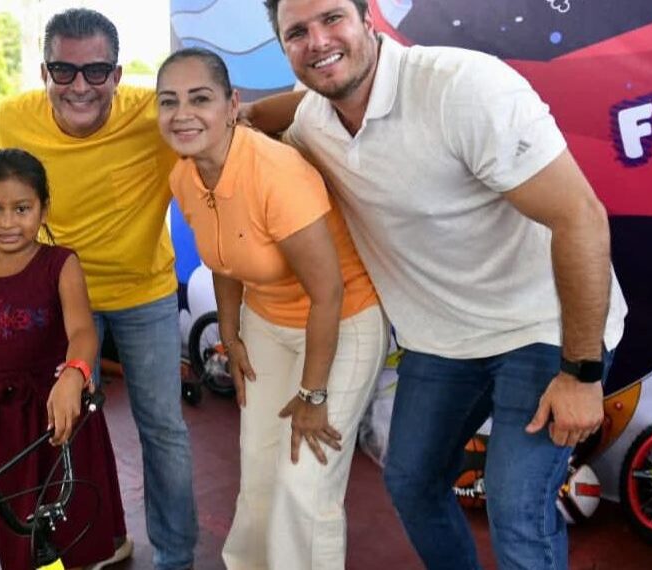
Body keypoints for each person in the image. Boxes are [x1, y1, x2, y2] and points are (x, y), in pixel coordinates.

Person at [262, 1, 629, 569]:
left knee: (516, 511)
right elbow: (285, 108)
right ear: (283, 47)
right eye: (296, 33)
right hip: (443, 341)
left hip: (541, 327)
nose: (317, 41)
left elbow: (581, 216)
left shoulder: (462, 88)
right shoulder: (314, 116)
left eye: (332, 19)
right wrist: (223, 118)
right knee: (410, 482)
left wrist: (580, 373)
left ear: (367, 18)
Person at [0, 9, 191, 568]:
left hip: (142, 290)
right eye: (64, 70)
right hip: (52, 294)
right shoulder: (13, 117)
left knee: (162, 429)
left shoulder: (154, 115)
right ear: (44, 70)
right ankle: (95, 541)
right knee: (61, 431)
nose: (80, 85)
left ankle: (177, 558)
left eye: (96, 70)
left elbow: (234, 121)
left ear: (118, 71)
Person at [157, 47, 385, 569]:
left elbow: (327, 293)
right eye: (168, 101)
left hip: (341, 323)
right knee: (259, 468)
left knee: (305, 480)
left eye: (200, 99)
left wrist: (314, 393)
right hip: (267, 321)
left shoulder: (276, 171)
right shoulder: (185, 177)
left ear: (232, 104)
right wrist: (231, 334)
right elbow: (225, 257)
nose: (182, 113)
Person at [0, 148, 127, 569]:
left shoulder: (60, 264)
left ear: (44, 210)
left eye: (22, 208)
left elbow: (83, 332)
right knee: (18, 530)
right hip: (3, 424)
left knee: (71, 525)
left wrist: (74, 374)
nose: (8, 222)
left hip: (59, 418)